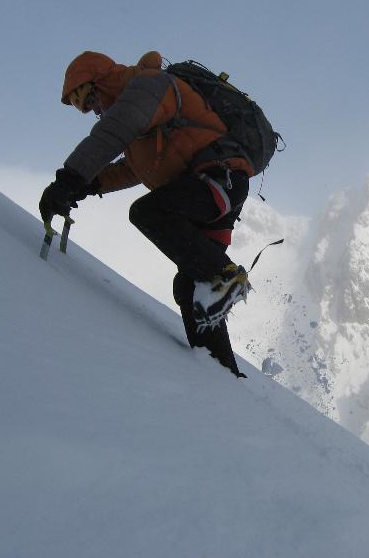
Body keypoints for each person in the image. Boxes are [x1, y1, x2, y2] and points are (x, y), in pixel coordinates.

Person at [39, 51, 252, 378]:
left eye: (87, 97)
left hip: (217, 182)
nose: (91, 109)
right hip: (207, 192)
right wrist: (89, 184)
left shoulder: (147, 86)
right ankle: (222, 378)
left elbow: (112, 132)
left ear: (101, 80)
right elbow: (133, 170)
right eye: (83, 107)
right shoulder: (142, 124)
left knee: (147, 212)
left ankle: (225, 275)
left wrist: (69, 179)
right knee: (190, 287)